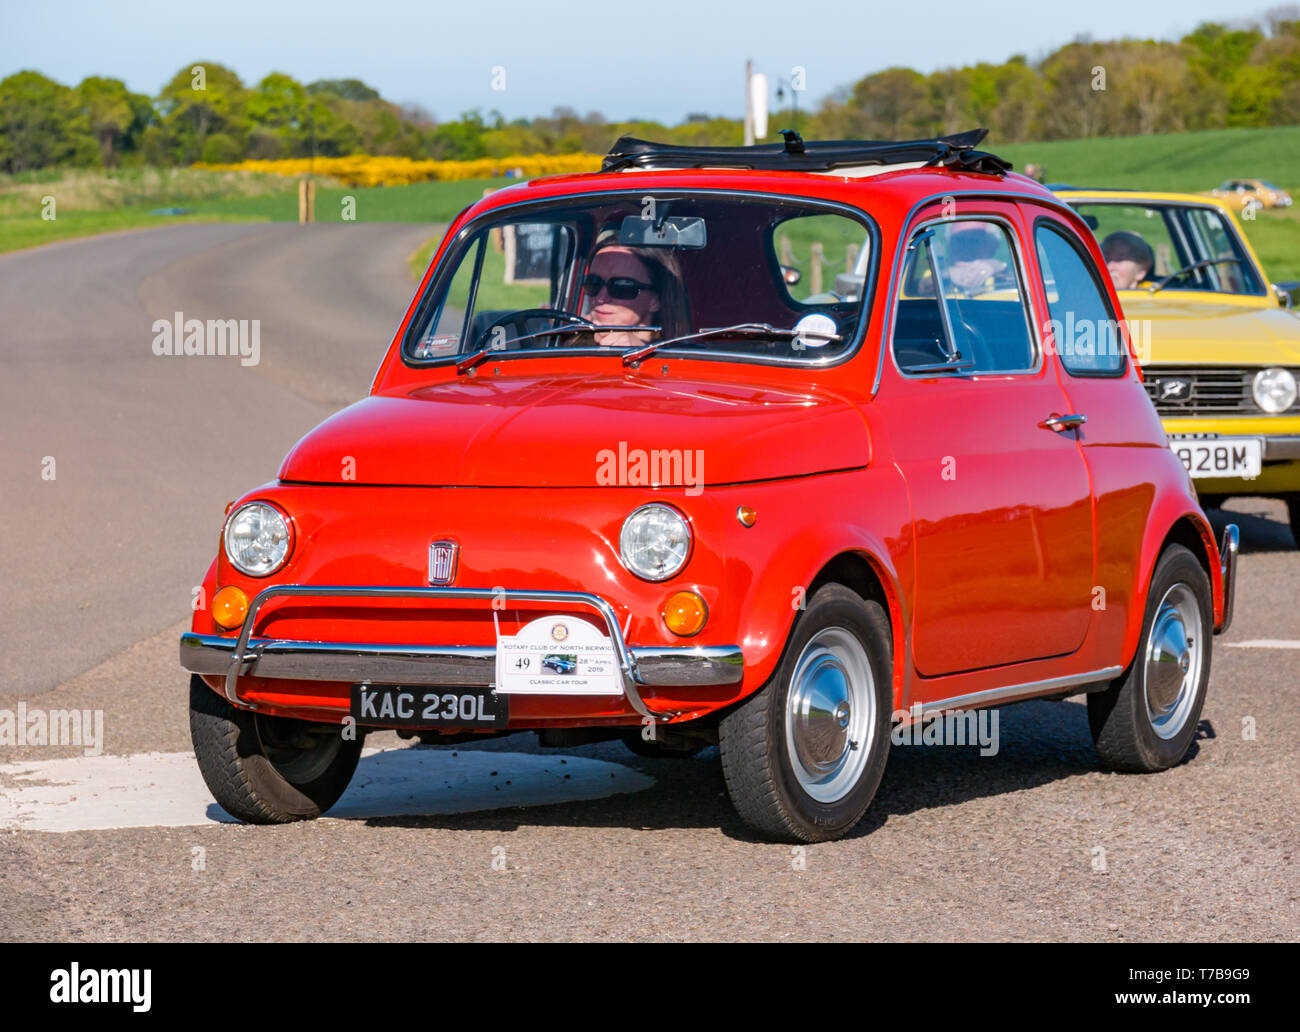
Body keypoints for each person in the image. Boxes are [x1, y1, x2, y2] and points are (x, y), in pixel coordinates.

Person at [573, 235, 691, 348]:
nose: (601, 298)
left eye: (622, 287)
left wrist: (643, 353)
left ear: (655, 300)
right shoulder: (565, 348)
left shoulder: (681, 360)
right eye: (593, 283)